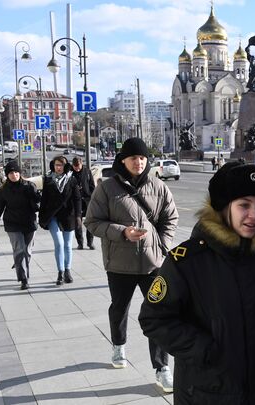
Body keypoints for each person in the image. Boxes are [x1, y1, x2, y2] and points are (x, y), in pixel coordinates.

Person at [139, 161, 255, 403]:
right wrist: (206, 350)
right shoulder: (186, 262)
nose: (254, 215)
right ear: (223, 207)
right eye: (244, 205)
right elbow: (154, 319)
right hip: (208, 392)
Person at [85, 137, 178, 393]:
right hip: (119, 264)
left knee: (159, 312)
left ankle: (162, 368)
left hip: (152, 264)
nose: (138, 162)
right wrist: (122, 232)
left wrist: (162, 245)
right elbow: (92, 222)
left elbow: (171, 217)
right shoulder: (106, 188)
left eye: (142, 157)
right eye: (133, 158)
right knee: (120, 308)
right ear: (123, 160)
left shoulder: (158, 186)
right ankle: (118, 345)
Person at [0, 161, 40, 290]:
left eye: (16, 172)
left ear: (20, 173)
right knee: (19, 250)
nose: (14, 175)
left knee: (27, 251)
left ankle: (19, 264)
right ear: (7, 175)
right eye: (11, 173)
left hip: (29, 223)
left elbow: (39, 203)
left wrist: (35, 196)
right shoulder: (4, 190)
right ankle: (23, 278)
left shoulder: (29, 186)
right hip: (13, 224)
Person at [39, 156, 81, 286]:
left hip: (69, 216)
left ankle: (68, 270)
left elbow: (77, 199)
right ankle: (60, 272)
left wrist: (78, 216)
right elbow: (44, 200)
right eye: (56, 165)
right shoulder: (48, 180)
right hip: (53, 216)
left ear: (65, 166)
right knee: (59, 243)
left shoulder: (71, 180)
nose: (58, 167)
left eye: (61, 165)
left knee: (68, 245)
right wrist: (41, 217)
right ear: (53, 165)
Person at [71, 156, 95, 250]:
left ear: (81, 164)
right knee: (78, 223)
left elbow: (92, 185)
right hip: (76, 201)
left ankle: (90, 242)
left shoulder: (87, 172)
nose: (77, 169)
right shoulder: (70, 173)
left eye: (78, 166)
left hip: (87, 200)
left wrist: (92, 196)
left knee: (90, 221)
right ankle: (80, 243)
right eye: (75, 167)